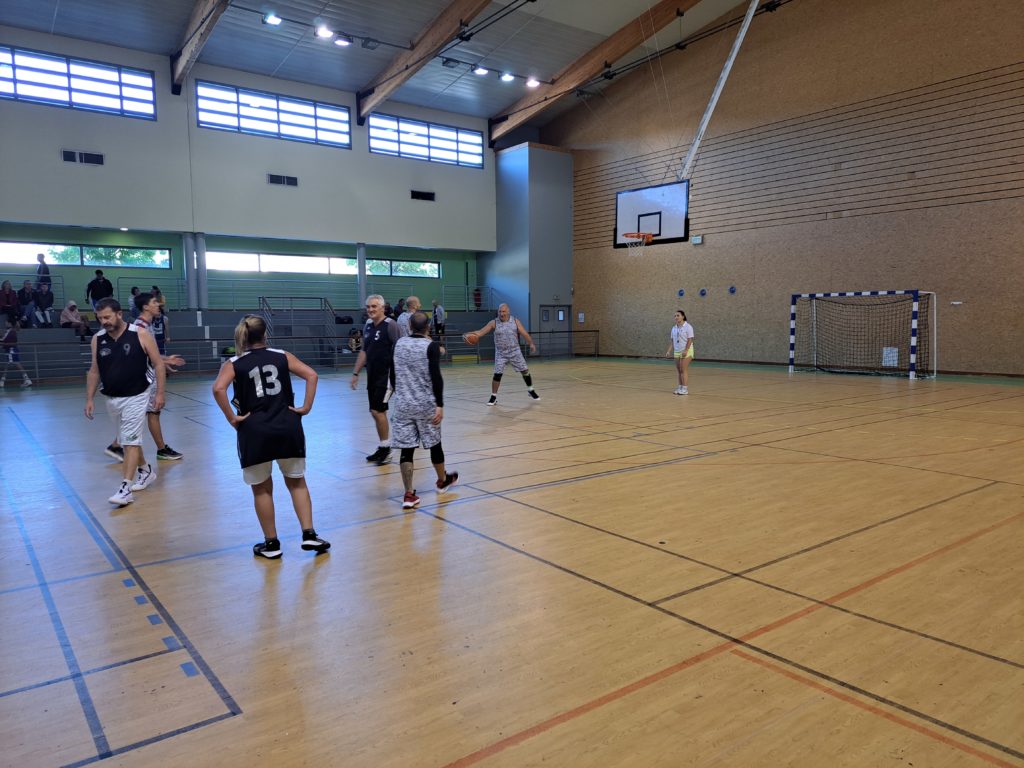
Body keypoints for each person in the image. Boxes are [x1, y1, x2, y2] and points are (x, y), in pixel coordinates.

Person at [212, 314, 330, 559]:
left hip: (254, 430)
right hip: (287, 426)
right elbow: (312, 375)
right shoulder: (282, 356)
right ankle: (309, 534)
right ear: (265, 334)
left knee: (261, 489)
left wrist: (232, 418)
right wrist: (306, 407)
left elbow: (218, 388)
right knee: (297, 482)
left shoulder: (234, 363)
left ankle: (272, 544)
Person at [84, 298, 165, 507]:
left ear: (119, 314)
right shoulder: (97, 339)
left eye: (107, 317)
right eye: (100, 318)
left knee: (129, 441)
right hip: (112, 398)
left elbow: (158, 364)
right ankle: (145, 471)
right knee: (129, 438)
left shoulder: (140, 334)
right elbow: (94, 370)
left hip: (137, 395)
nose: (104, 321)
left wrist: (160, 394)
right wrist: (89, 398)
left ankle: (125, 489)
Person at [104, 292, 186, 462]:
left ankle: (117, 445)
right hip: (144, 378)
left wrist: (163, 361)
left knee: (144, 413)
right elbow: (145, 354)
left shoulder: (145, 325)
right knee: (151, 412)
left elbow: (148, 354)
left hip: (145, 376)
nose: (158, 305)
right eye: (154, 302)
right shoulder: (140, 327)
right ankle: (160, 450)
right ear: (146, 306)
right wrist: (165, 360)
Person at [390, 312, 458, 509]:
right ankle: (442, 481)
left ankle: (408, 494)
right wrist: (440, 404)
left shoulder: (398, 344)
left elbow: (392, 375)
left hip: (403, 405)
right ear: (428, 327)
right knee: (435, 445)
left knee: (407, 449)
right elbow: (436, 376)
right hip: (426, 405)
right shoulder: (431, 346)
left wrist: (400, 394)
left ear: (409, 326)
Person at [350, 294, 398, 465]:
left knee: (377, 411)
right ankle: (383, 447)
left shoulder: (391, 325)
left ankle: (387, 449)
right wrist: (356, 373)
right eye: (368, 306)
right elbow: (364, 350)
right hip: (373, 374)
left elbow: (401, 348)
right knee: (375, 411)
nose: (370, 309)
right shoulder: (368, 325)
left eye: (374, 306)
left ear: (382, 308)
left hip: (387, 376)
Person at [466, 303, 540, 406]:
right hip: (501, 353)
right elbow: (481, 332)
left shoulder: (515, 321)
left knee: (525, 370)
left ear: (508, 311)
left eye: (504, 311)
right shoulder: (494, 323)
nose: (501, 313)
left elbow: (524, 333)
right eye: (500, 311)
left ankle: (531, 390)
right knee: (497, 374)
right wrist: (470, 334)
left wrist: (531, 343)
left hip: (515, 351)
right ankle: (493, 397)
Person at [665, 309, 694, 395]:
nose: (676, 317)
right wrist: (669, 351)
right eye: (675, 316)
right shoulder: (674, 328)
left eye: (678, 315)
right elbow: (673, 341)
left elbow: (690, 340)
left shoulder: (688, 327)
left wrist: (686, 350)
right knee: (679, 370)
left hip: (686, 351)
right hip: (677, 351)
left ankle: (685, 389)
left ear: (683, 316)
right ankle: (680, 387)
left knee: (683, 369)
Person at [0, 318, 32, 388]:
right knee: (14, 364)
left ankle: (2, 381)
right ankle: (27, 380)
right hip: (12, 349)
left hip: (11, 350)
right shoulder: (11, 331)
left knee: (13, 364)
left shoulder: (10, 331)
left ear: (10, 323)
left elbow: (3, 339)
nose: (5, 324)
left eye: (6, 322)